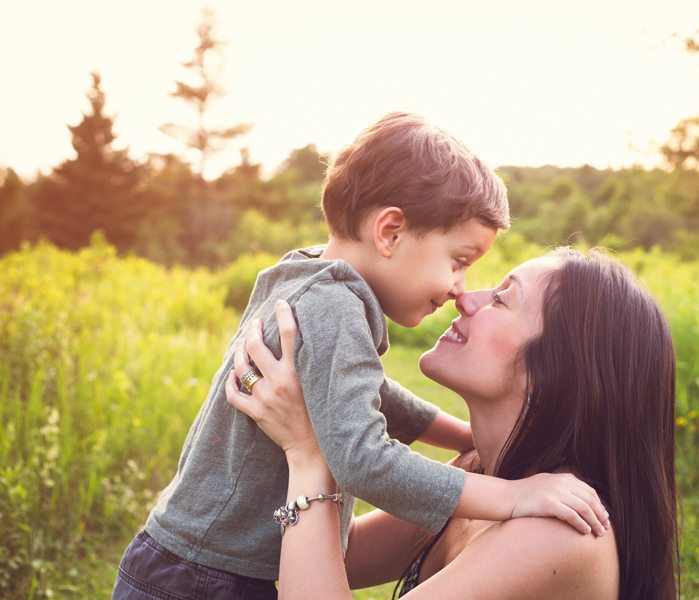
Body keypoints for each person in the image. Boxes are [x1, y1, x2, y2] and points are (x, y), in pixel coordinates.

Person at [113, 113, 608, 599]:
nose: (460, 289)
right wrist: (513, 495)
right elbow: (365, 461)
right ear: (390, 232)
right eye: (458, 262)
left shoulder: (308, 276)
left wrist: (459, 436)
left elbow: (368, 391)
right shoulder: (333, 304)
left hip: (188, 565)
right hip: (200, 580)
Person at [226, 247, 679, 599]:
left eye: (501, 299)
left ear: (555, 369)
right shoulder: (482, 475)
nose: (466, 298)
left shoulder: (559, 533)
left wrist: (308, 456)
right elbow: (329, 556)